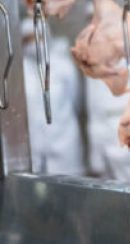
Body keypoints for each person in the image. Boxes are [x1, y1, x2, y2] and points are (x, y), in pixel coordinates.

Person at [21, 19, 85, 176]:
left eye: (38, 37)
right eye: (28, 39)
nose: (33, 43)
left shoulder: (63, 66)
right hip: (33, 146)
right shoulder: (20, 70)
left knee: (67, 191)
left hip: (63, 141)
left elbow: (76, 99)